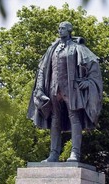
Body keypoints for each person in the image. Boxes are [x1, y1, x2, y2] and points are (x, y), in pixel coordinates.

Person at [27, 21, 103, 162]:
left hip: (71, 89)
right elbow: (42, 69)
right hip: (54, 89)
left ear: (69, 31)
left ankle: (75, 154)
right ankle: (53, 154)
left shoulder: (77, 47)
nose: (60, 30)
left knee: (75, 118)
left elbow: (94, 64)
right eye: (59, 28)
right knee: (55, 120)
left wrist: (89, 81)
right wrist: (39, 88)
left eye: (63, 28)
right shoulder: (52, 49)